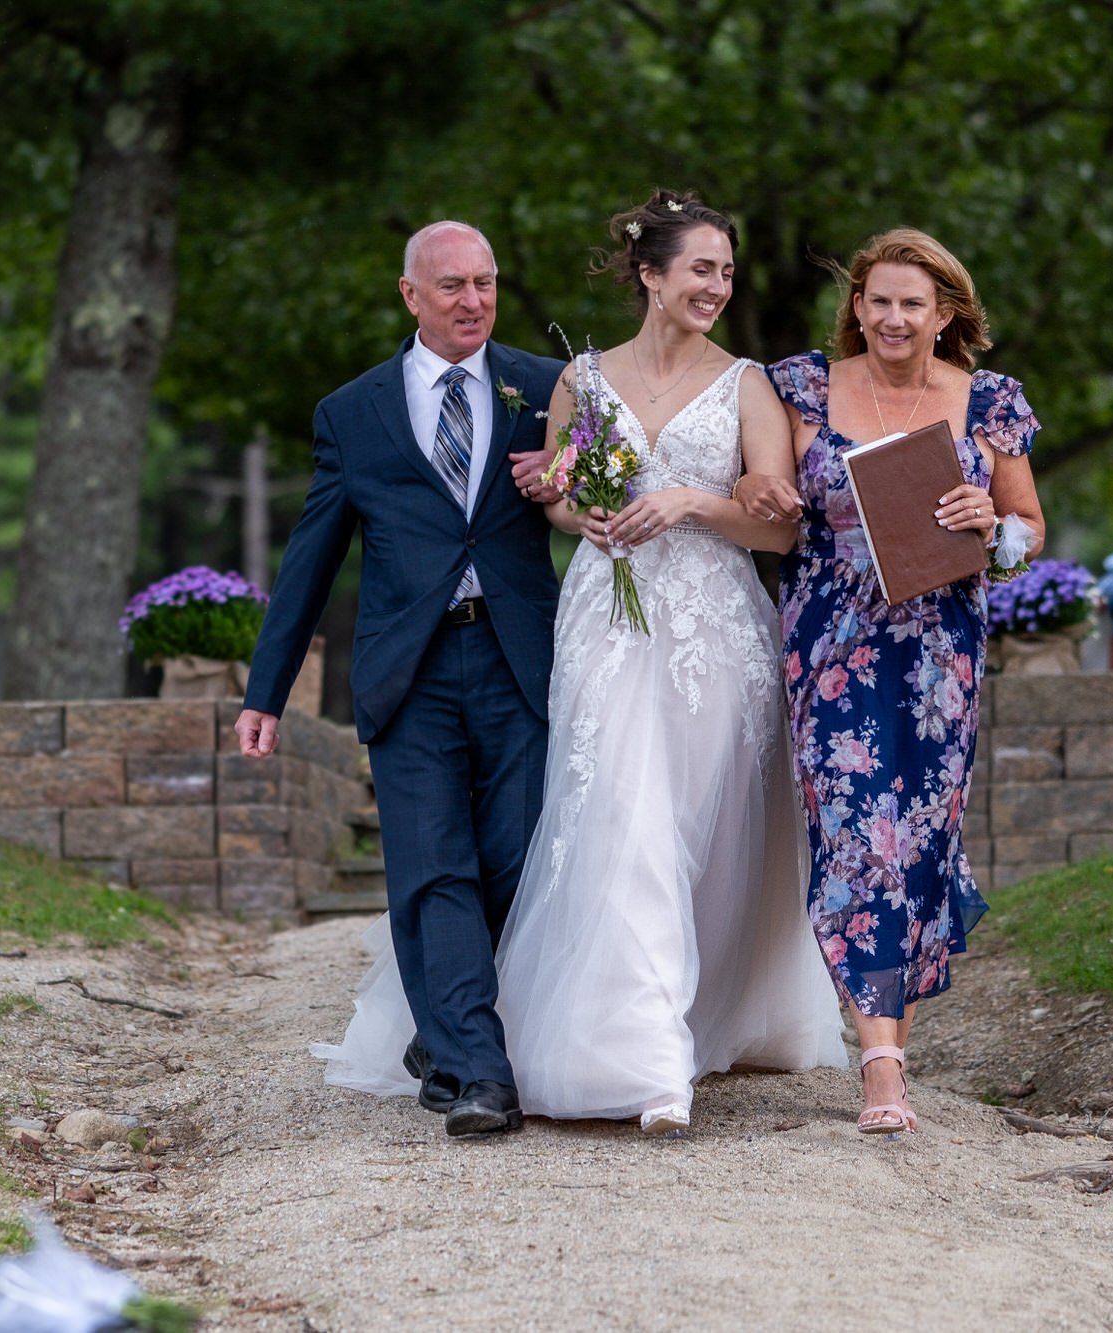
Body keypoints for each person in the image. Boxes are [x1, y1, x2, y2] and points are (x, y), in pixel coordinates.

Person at [316, 189, 845, 1135]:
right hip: (607, 618)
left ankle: (693, 1008)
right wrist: (581, 510)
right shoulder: (578, 378)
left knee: (701, 832)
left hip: (712, 629)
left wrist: (687, 501)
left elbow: (780, 520)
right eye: (701, 270)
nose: (717, 287)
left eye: (725, 272)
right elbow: (556, 497)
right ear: (650, 275)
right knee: (622, 821)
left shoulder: (749, 383)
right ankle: (644, 1060)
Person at [237, 221, 565, 1139]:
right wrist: (267, 689)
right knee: (432, 868)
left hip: (519, 659)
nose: (473, 300)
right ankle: (476, 1069)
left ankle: (444, 1031)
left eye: (487, 282)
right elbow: (312, 556)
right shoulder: (354, 411)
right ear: (410, 294)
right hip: (408, 669)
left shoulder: (545, 387)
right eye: (453, 285)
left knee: (514, 856)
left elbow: (600, 503)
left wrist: (571, 479)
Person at [738, 228, 1046, 1134]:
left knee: (914, 842)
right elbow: (769, 495)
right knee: (859, 836)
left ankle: (889, 1047)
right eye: (879, 300)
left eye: (913, 303)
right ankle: (881, 1067)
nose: (894, 318)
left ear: (946, 313)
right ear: (858, 306)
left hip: (940, 654)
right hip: (831, 649)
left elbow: (1029, 530)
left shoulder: (988, 402)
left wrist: (993, 524)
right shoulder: (802, 388)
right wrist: (767, 493)